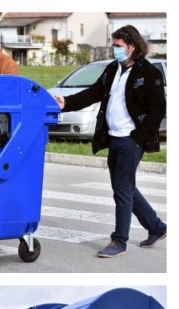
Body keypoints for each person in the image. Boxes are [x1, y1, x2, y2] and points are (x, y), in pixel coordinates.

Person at [52, 26, 166, 258]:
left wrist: (140, 137)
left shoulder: (148, 72)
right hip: (114, 137)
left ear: (132, 47)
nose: (114, 50)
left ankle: (119, 241)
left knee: (122, 190)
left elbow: (158, 110)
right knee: (125, 188)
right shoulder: (112, 69)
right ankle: (156, 227)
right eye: (113, 46)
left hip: (131, 140)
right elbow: (93, 93)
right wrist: (67, 103)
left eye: (118, 47)